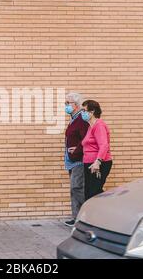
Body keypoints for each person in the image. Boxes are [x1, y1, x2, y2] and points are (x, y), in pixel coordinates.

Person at [63, 93, 89, 227]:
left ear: (76, 105)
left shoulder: (81, 120)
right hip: (71, 160)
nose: (66, 106)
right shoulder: (73, 119)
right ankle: (76, 217)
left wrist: (77, 150)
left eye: (68, 103)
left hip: (79, 160)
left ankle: (91, 213)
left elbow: (86, 139)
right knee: (73, 189)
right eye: (65, 103)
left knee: (77, 187)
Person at [78, 100, 113, 201]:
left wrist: (98, 162)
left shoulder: (99, 125)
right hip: (89, 164)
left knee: (94, 193)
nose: (82, 113)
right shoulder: (90, 126)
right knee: (89, 193)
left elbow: (104, 145)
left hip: (98, 164)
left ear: (92, 112)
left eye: (84, 110)